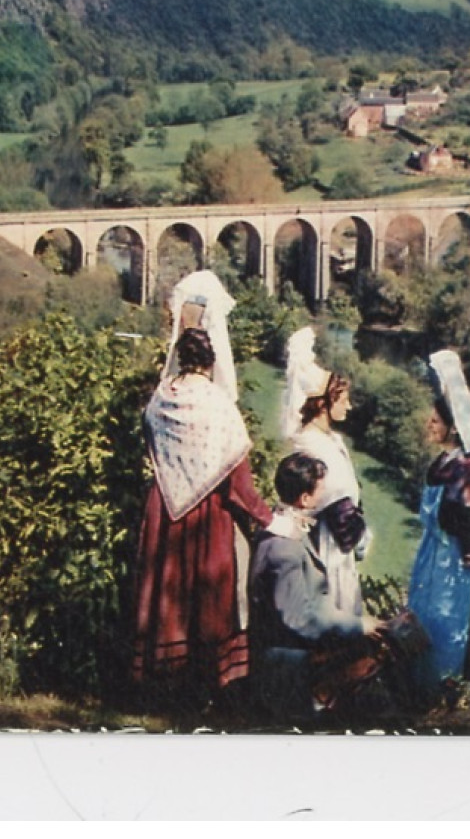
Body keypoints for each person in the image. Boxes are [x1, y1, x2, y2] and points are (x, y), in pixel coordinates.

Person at [131, 274, 272, 713]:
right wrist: (269, 520)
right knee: (210, 596)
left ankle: (162, 687)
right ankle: (211, 690)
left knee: (166, 596)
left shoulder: (159, 401)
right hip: (209, 515)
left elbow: (155, 450)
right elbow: (238, 482)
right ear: (212, 361)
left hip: (164, 509)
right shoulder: (217, 405)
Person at [248, 452, 385, 719]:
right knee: (370, 659)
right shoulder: (284, 549)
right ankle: (318, 706)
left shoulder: (289, 529)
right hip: (284, 665)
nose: (326, 495)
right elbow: (297, 619)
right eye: (322, 489)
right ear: (306, 499)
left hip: (295, 648)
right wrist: (357, 626)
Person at [407, 349, 470, 686]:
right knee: (422, 617)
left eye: (436, 421)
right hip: (431, 556)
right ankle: (417, 685)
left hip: (450, 563)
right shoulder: (445, 463)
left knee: (445, 621)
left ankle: (441, 686)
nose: (429, 424)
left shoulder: (465, 470)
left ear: (453, 429)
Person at [281, 327, 367, 617]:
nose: (350, 406)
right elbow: (337, 505)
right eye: (343, 400)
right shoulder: (314, 445)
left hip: (336, 540)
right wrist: (360, 537)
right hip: (326, 546)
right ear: (325, 404)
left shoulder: (327, 439)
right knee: (331, 614)